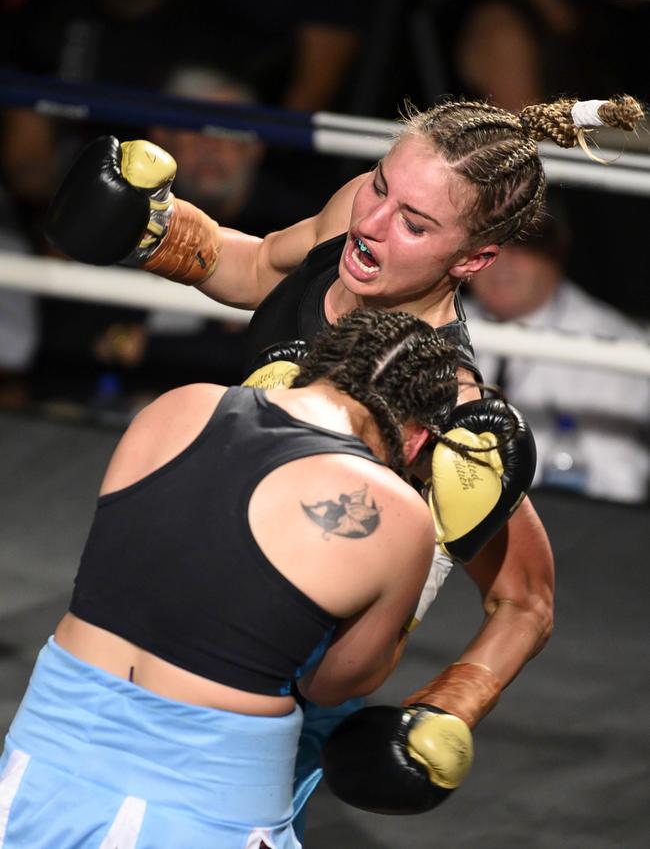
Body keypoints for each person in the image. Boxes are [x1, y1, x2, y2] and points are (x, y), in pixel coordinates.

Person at [45, 92, 643, 826]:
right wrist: (156, 231)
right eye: (381, 184)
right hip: (160, 621)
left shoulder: (444, 408)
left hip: (270, 693)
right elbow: (260, 264)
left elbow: (527, 597)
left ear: (475, 257)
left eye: (415, 223)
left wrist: (450, 706)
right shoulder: (356, 216)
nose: (373, 224)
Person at [0, 307, 490, 846]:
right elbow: (331, 684)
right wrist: (437, 549)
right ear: (418, 440)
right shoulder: (397, 512)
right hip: (206, 797)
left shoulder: (177, 405)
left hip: (43, 758)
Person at [464, 213, 650, 504]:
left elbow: (619, 488)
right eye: (488, 244)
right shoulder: (439, 322)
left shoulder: (614, 347)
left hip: (562, 529)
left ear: (556, 249)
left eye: (521, 244)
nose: (501, 262)